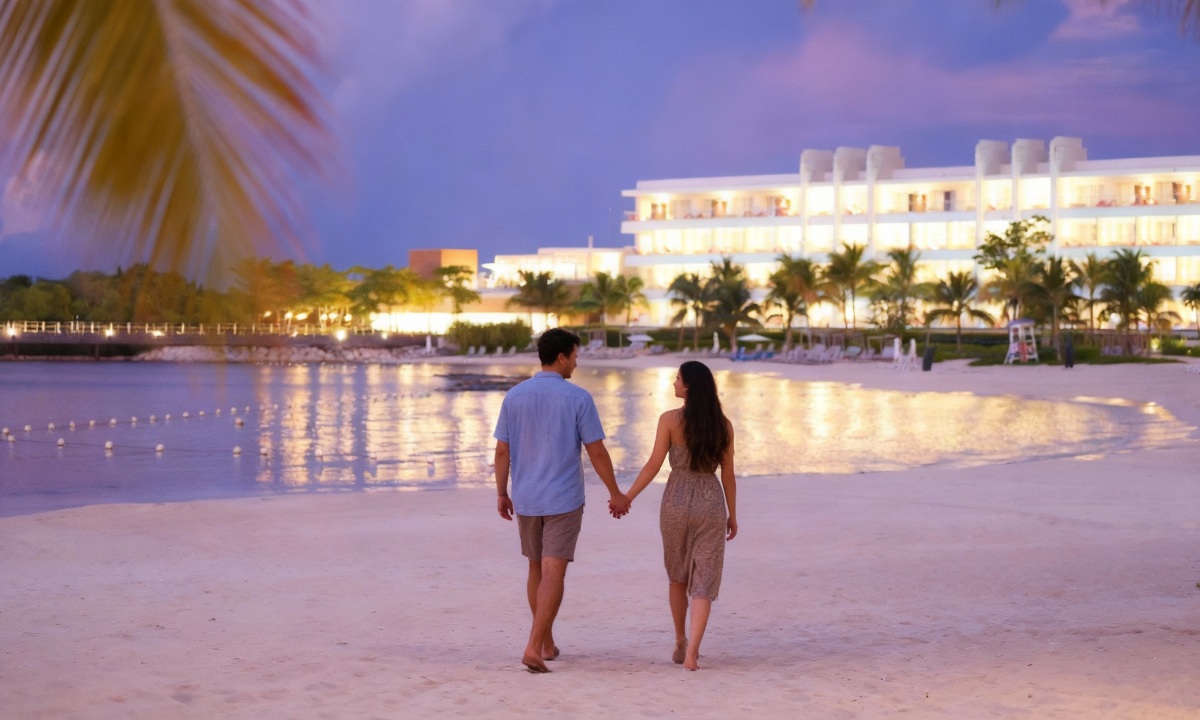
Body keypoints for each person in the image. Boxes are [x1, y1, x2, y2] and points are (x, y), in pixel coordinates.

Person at [493, 327, 630, 674]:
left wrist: (502, 492)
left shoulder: (514, 397)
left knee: (535, 568)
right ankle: (533, 646)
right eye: (575, 356)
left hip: (526, 497)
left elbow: (502, 450)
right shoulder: (578, 398)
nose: (576, 363)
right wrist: (615, 493)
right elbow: (596, 451)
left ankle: (546, 643)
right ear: (561, 357)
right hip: (563, 499)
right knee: (554, 570)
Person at [620, 360, 737, 670]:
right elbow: (728, 476)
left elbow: (653, 464)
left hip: (676, 500)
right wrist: (732, 514)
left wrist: (627, 497)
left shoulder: (669, 420)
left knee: (677, 576)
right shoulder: (723, 426)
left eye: (677, 378)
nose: (674, 383)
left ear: (689, 386)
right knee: (704, 579)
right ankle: (693, 652)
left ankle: (680, 640)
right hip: (711, 502)